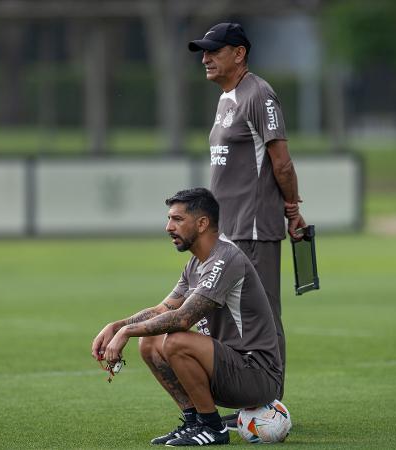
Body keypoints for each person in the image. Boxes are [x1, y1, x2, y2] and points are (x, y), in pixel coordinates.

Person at [91, 188, 282, 447]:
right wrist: (117, 326)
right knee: (148, 341)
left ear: (202, 223)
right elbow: (162, 311)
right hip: (228, 369)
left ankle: (213, 429)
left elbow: (182, 319)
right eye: (169, 219)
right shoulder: (195, 264)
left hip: (256, 375)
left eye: (177, 219)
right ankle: (194, 423)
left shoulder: (226, 259)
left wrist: (126, 333)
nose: (169, 227)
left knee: (175, 341)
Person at [188, 23, 306, 416]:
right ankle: (245, 399)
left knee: (263, 318)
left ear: (238, 54)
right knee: (226, 318)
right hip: (228, 231)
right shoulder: (226, 98)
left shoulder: (259, 94)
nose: (205, 58)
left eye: (214, 51)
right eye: (203, 52)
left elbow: (282, 163)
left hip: (255, 229)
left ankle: (269, 406)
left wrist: (292, 209)